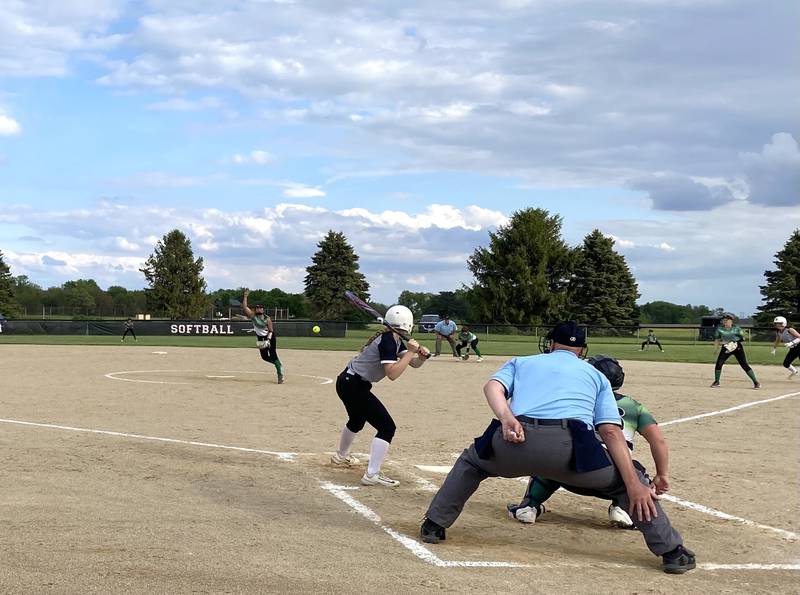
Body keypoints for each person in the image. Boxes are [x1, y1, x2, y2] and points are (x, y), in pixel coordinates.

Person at [419, 321, 696, 574]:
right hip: (571, 450)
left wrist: (506, 418)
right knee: (626, 484)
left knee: (472, 462)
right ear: (582, 349)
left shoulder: (522, 362)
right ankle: (672, 553)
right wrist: (633, 483)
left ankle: (434, 525)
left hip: (515, 440)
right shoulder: (596, 375)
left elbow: (492, 387)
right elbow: (610, 431)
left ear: (551, 344)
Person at [508, 354, 670, 531]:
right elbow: (658, 441)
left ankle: (529, 506)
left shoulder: (575, 399)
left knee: (550, 458)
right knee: (637, 472)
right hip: (610, 479)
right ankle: (621, 507)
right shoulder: (634, 407)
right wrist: (662, 474)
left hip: (568, 472)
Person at [330, 305, 430, 486]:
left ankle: (340, 456)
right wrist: (410, 352)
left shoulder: (394, 339)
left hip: (347, 382)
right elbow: (392, 374)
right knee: (387, 427)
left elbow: (412, 364)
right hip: (354, 385)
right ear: (408, 324)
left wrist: (421, 357)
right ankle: (372, 474)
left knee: (357, 420)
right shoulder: (388, 341)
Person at [242, 289, 284, 384]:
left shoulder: (267, 319)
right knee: (264, 357)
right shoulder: (253, 316)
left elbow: (271, 330)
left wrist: (268, 340)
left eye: (261, 308)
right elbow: (245, 307)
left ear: (263, 310)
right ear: (255, 310)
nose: (259, 309)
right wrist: (245, 296)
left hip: (270, 337)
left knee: (273, 354)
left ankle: (279, 373)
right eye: (257, 308)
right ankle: (278, 364)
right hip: (261, 338)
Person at [711, 314, 759, 389]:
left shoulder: (736, 328)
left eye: (726, 320)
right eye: (723, 320)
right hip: (726, 347)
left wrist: (734, 342)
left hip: (737, 347)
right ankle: (717, 381)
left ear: (731, 321)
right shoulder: (720, 329)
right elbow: (717, 339)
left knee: (744, 364)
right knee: (719, 363)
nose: (724, 322)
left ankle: (756, 382)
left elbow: (743, 338)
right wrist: (715, 349)